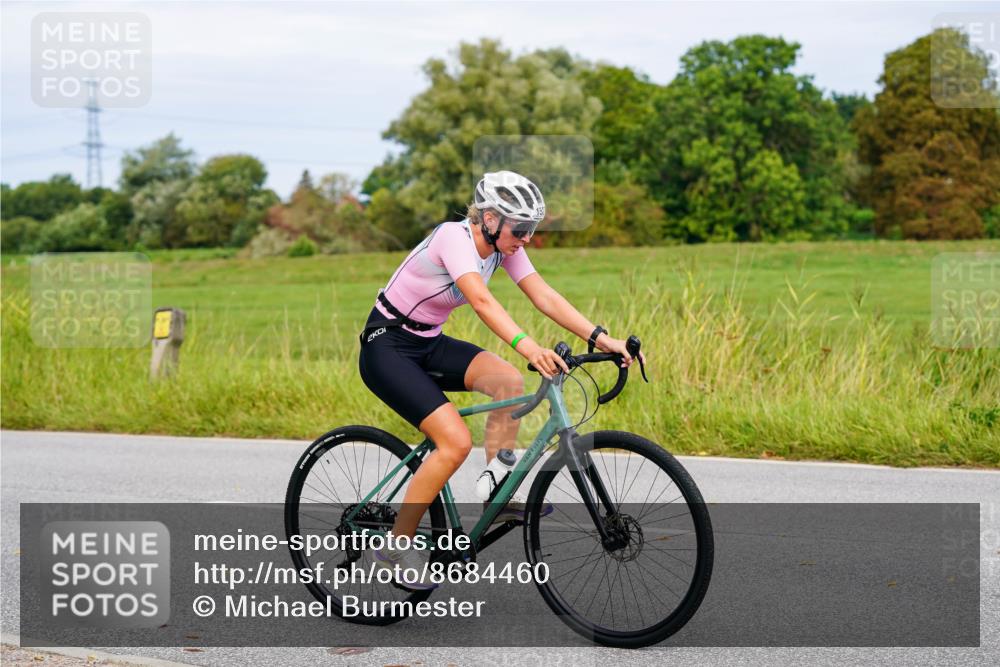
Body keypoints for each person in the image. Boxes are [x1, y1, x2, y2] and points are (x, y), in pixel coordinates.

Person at [358, 171, 640, 590]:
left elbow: (542, 294)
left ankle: (497, 491)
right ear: (489, 219)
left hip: (428, 342)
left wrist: (602, 338)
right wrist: (530, 348)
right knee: (454, 442)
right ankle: (394, 547)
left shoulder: (503, 246)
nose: (526, 238)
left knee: (507, 381)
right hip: (387, 347)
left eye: (532, 230)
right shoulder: (452, 239)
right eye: (521, 229)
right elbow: (481, 300)